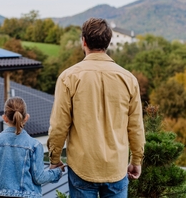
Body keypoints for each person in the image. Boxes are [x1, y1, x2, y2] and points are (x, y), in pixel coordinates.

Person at [47, 18, 145, 198]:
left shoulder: (68, 77)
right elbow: (136, 126)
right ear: (108, 42)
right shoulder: (129, 79)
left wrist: (54, 159)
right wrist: (136, 160)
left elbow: (59, 126)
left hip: (82, 166)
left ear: (83, 41)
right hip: (116, 167)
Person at [0, 96, 63, 198]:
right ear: (26, 117)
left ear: (5, 118)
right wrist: (57, 171)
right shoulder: (35, 145)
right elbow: (39, 178)